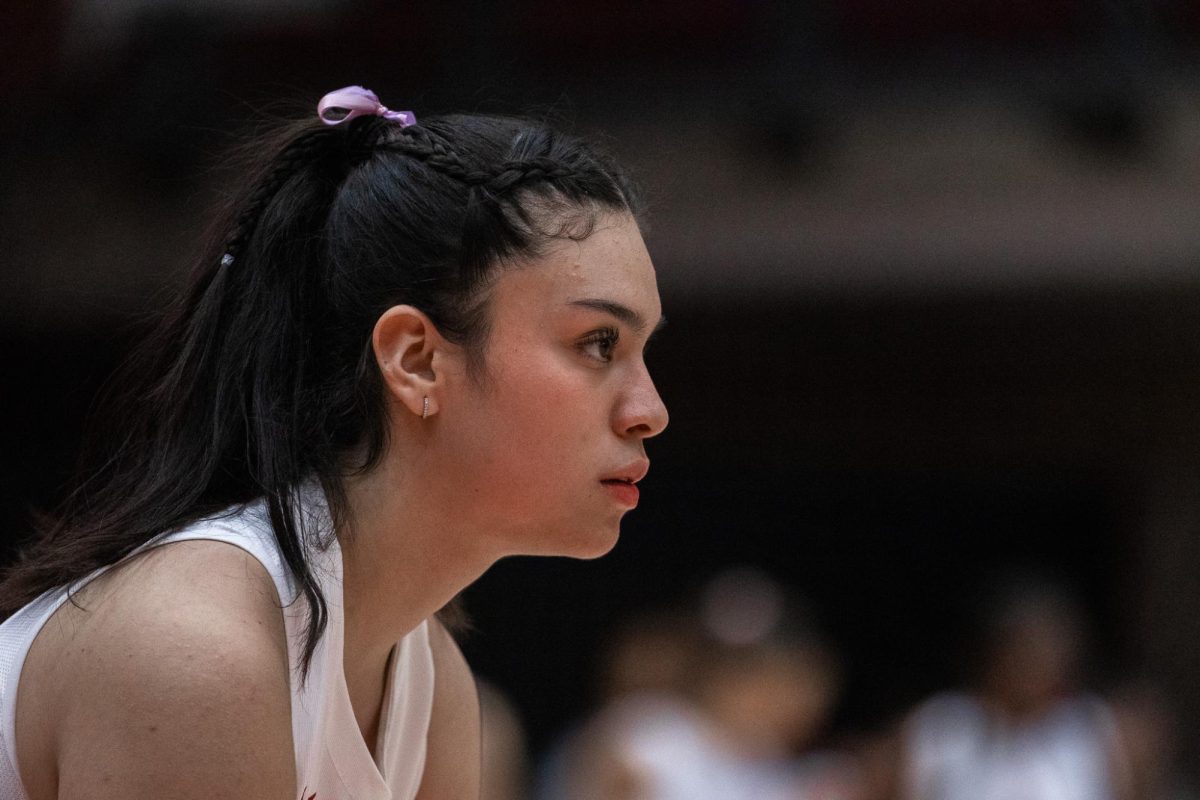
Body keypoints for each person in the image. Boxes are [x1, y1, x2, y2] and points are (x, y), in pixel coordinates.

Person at [0, 85, 668, 799]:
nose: (650, 411)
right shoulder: (192, 648)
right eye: (599, 343)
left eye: (641, 351)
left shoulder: (432, 686)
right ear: (415, 360)